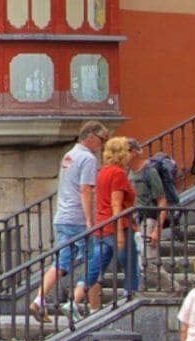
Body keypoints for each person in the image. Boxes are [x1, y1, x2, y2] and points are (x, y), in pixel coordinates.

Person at [33, 122, 104, 318]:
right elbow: (85, 189)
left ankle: (39, 299)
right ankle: (87, 306)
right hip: (77, 218)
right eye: (101, 139)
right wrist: (90, 220)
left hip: (62, 216)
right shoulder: (88, 158)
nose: (102, 144)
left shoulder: (69, 155)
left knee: (61, 263)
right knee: (94, 261)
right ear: (90, 137)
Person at [77, 137, 140, 309]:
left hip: (102, 226)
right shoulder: (118, 173)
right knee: (130, 265)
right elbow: (116, 203)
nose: (130, 154)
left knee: (96, 266)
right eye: (127, 151)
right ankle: (130, 298)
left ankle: (74, 300)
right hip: (117, 226)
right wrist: (120, 232)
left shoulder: (102, 172)